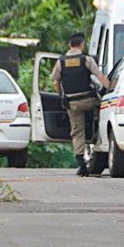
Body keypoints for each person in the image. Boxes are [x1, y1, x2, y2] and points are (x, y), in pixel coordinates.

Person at [51, 33, 110, 176]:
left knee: (77, 131)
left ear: (69, 45)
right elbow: (101, 77)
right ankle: (97, 133)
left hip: (73, 103)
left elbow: (55, 82)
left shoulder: (61, 62)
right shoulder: (86, 60)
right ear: (82, 45)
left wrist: (62, 95)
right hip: (89, 100)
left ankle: (82, 166)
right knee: (101, 113)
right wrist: (111, 90)